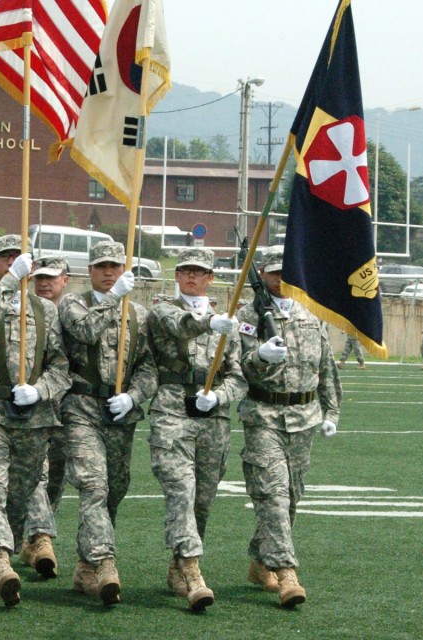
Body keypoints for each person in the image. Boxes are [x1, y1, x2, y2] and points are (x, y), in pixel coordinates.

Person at [0, 235, 70, 608]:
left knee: (21, 494)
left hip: (34, 418)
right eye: (4, 258)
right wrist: (10, 282)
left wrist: (41, 390)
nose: (11, 263)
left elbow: (61, 365)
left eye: (17, 258)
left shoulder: (46, 310)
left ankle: (2, 561)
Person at [236, 245, 341, 607]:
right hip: (263, 416)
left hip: (305, 418)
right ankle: (286, 573)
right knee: (274, 495)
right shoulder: (247, 314)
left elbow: (326, 365)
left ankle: (260, 559)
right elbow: (241, 365)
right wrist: (261, 357)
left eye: (286, 272)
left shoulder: (311, 312)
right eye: (273, 273)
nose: (280, 279)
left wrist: (332, 412)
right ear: (262, 275)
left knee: (292, 496)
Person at [146, 247, 246, 613]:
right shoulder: (163, 309)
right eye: (185, 270)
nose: (191, 276)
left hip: (212, 418)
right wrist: (208, 323)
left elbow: (239, 377)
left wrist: (220, 397)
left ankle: (177, 564)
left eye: (199, 271)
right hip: (172, 408)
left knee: (202, 498)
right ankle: (192, 570)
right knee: (180, 489)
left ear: (210, 278)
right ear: (177, 276)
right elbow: (179, 325)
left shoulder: (228, 323)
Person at [58, 240, 157, 606]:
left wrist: (134, 395)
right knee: (93, 484)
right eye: (101, 266)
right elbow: (84, 331)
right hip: (81, 406)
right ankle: (104, 563)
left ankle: (85, 564)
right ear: (90, 270)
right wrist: (114, 297)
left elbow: (149, 366)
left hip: (119, 413)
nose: (108, 271)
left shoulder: (139, 314)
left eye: (115, 266)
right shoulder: (74, 303)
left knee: (115, 488)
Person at [18, 256, 70, 577]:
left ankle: (32, 541)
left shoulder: (74, 313)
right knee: (37, 472)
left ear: (65, 279)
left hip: (67, 407)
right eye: (39, 278)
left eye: (51, 278)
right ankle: (41, 539)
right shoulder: (24, 314)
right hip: (33, 408)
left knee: (57, 479)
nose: (44, 283)